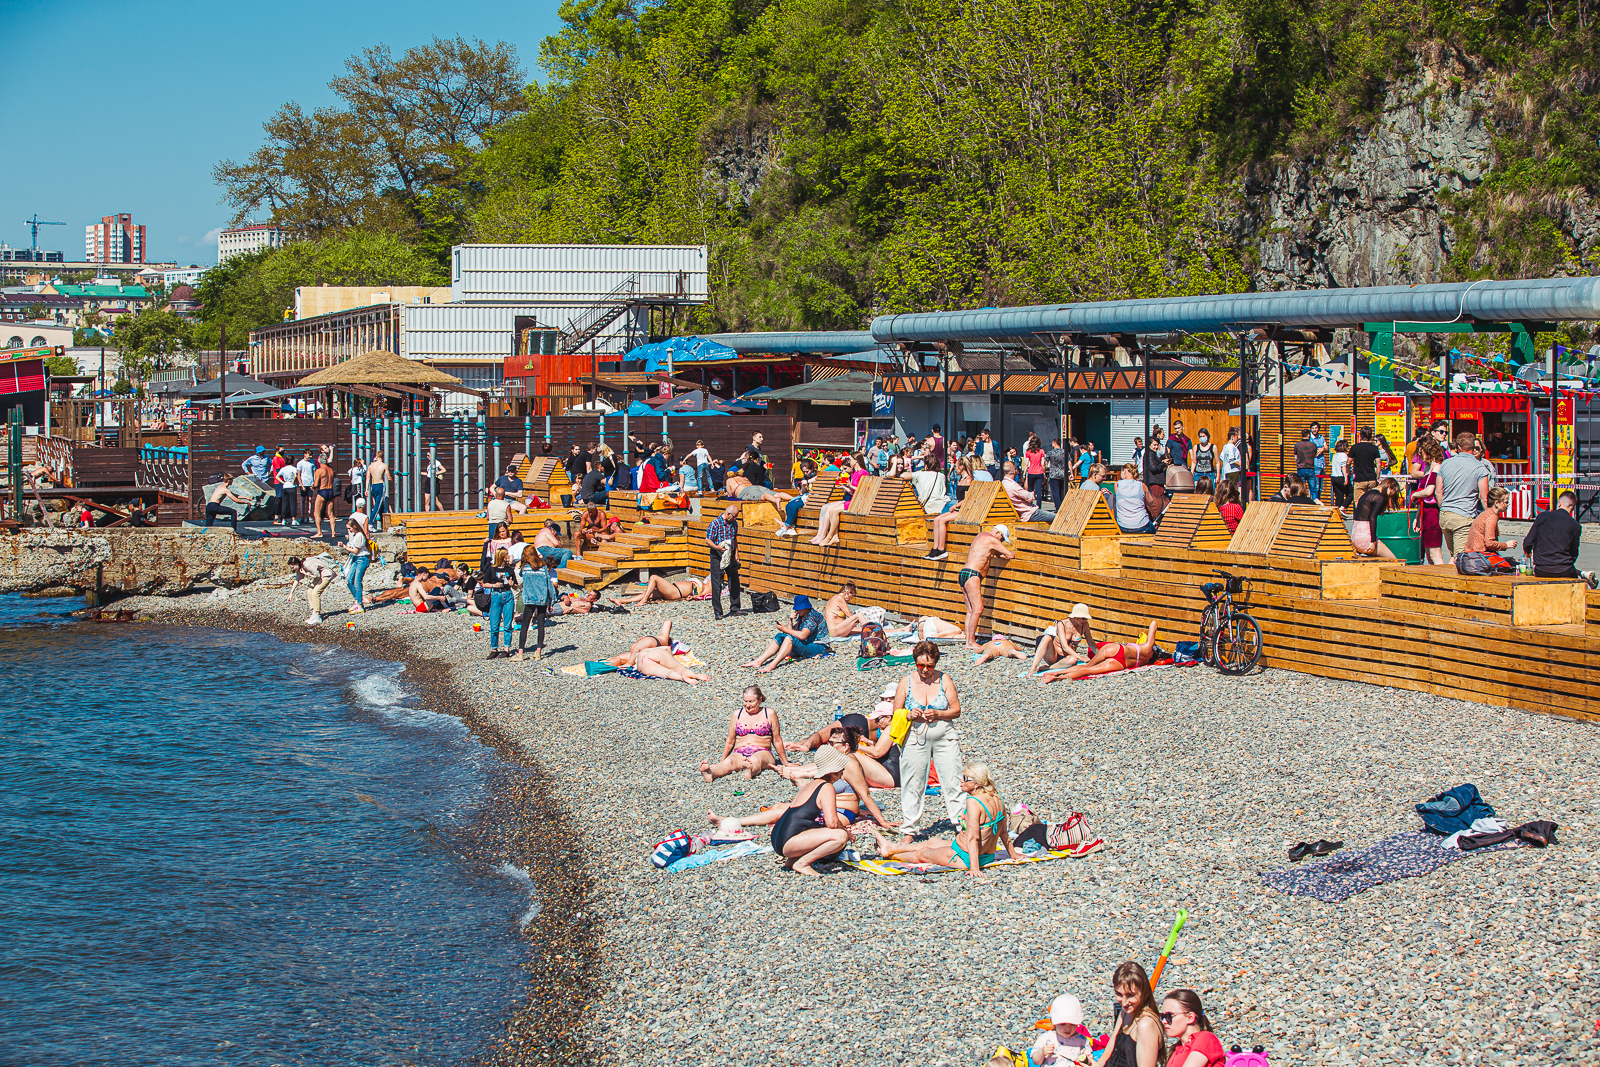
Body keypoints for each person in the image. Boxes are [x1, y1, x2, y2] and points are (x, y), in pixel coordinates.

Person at [872, 760, 1020, 875]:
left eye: (965, 778)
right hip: (984, 854)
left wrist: (974, 868)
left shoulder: (974, 802)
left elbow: (973, 838)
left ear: (976, 784)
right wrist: (1013, 855)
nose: (961, 781)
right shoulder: (996, 797)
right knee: (933, 841)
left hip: (965, 856)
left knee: (922, 855)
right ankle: (891, 848)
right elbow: (1003, 832)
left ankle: (891, 855)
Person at [724, 746, 853, 875]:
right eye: (841, 768)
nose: (842, 771)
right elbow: (832, 822)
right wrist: (847, 832)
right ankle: (802, 863)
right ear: (834, 770)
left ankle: (792, 860)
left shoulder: (811, 785)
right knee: (840, 836)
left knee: (827, 831)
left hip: (778, 838)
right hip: (789, 841)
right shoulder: (826, 787)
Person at [895, 640, 966, 828]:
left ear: (935, 664)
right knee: (913, 783)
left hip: (943, 733)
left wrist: (939, 714)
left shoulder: (944, 679)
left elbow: (956, 710)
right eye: (920, 665)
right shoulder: (906, 681)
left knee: (954, 779)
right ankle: (910, 828)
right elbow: (896, 712)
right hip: (916, 735)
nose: (925, 670)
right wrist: (909, 715)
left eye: (929, 666)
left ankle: (961, 825)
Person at [701, 685, 791, 781]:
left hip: (763, 751)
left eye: (751, 702)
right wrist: (722, 761)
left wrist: (785, 763)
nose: (748, 705)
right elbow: (730, 741)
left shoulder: (769, 713)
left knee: (756, 760)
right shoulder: (737, 714)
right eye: (745, 701)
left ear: (760, 700)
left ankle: (750, 770)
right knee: (729, 762)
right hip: (740, 751)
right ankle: (711, 774)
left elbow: (777, 740)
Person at [1040, 620, 1160, 684]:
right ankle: (1057, 679)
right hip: (1121, 664)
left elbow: (1153, 623)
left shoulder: (1148, 646)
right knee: (1086, 670)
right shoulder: (1146, 659)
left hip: (1117, 649)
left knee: (1088, 665)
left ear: (1154, 650)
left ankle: (1057, 673)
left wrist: (1153, 638)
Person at [957, 525, 1015, 649]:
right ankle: (971, 642)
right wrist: (1014, 553)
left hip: (965, 572)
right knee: (978, 609)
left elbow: (998, 555)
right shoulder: (991, 539)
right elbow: (1009, 555)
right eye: (1002, 538)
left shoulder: (982, 536)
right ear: (998, 533)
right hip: (973, 574)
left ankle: (968, 642)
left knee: (970, 610)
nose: (1001, 541)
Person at [741, 594, 830, 672]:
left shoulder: (813, 617)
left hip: (820, 647)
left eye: (798, 609)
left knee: (788, 638)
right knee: (780, 636)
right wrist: (790, 621)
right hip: (808, 644)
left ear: (805, 608)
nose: (797, 611)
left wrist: (784, 629)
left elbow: (802, 635)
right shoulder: (802, 615)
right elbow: (793, 632)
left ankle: (772, 665)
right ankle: (759, 661)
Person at [1103, 961, 1166, 1067]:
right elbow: (1107, 1055)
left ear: (1143, 992)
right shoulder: (1125, 1012)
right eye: (1119, 994)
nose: (1124, 1002)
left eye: (1130, 995)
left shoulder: (1146, 1024)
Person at [1438, 431, 1491, 555]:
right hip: (1464, 515)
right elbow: (1484, 497)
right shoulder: (1479, 467)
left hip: (1445, 515)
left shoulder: (1445, 464)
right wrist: (1490, 518)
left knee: (1454, 555)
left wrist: (1443, 507)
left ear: (1458, 447)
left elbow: (1438, 491)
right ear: (1473, 448)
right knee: (1462, 557)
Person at [1525, 490, 1593, 583]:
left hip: (1541, 569)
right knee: (1574, 578)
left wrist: (1527, 552)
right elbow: (1574, 553)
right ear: (1573, 507)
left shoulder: (1542, 517)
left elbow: (1528, 542)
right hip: (1564, 570)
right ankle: (1584, 576)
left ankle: (1583, 574)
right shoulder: (1575, 525)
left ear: (1559, 503)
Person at [514, 551, 559, 660]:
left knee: (525, 625)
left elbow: (519, 574)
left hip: (530, 598)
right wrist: (552, 601)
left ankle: (520, 653)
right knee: (540, 625)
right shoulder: (543, 568)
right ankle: (538, 652)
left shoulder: (525, 568)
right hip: (542, 598)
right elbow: (549, 586)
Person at [1030, 603, 1098, 674]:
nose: (1084, 621)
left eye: (1086, 619)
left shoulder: (1084, 625)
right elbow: (1064, 646)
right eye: (1083, 618)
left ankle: (1048, 668)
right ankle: (1033, 668)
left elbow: (1090, 642)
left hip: (1067, 658)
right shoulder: (1062, 624)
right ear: (1075, 616)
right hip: (1054, 656)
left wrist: (1099, 654)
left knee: (1073, 660)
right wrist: (1081, 658)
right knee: (1047, 637)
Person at [1161, 990, 1224, 1067]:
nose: (1164, 1021)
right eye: (1163, 1016)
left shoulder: (1206, 1039)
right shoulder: (1177, 1048)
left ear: (1190, 1017)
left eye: (1169, 1016)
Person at [706, 503, 744, 619]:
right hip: (717, 554)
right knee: (716, 582)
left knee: (734, 580)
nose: (735, 519)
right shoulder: (715, 523)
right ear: (728, 514)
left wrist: (736, 553)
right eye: (734, 516)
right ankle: (718, 611)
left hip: (730, 554)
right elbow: (708, 540)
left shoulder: (734, 523)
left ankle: (735, 608)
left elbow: (734, 538)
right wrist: (717, 547)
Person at [1032, 994, 1092, 1066]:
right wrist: (1041, 1053)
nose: (1068, 1028)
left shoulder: (1082, 1041)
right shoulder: (1046, 1038)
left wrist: (1084, 1062)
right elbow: (1036, 1061)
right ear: (1053, 1021)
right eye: (1063, 1024)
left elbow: (1090, 1063)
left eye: (1072, 1024)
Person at [1412, 435, 1446, 564]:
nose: (1420, 456)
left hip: (1433, 512)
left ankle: (1442, 580)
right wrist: (1417, 517)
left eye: (1421, 452)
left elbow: (1430, 491)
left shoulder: (1437, 467)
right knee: (1428, 553)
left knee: (1435, 552)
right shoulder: (1428, 468)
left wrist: (1414, 495)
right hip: (1425, 512)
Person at [1349, 478, 1401, 560]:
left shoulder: (1367, 494)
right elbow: (1372, 518)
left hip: (1355, 537)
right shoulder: (1379, 497)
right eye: (1391, 494)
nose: (1389, 496)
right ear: (1389, 486)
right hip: (1366, 539)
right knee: (1394, 560)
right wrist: (1373, 542)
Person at [480, 547, 516, 659]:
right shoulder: (492, 569)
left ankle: (506, 648)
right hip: (496, 595)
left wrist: (512, 584)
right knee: (494, 623)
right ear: (502, 556)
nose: (509, 556)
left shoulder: (510, 570)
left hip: (508, 595)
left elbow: (515, 585)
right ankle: (494, 648)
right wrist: (494, 585)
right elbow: (484, 583)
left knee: (507, 623)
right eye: (507, 555)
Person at [284, 554, 338, 625]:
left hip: (326, 574)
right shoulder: (301, 568)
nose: (292, 569)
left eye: (292, 567)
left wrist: (305, 573)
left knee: (315, 593)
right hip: (320, 575)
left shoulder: (307, 565)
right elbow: (297, 580)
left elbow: (317, 576)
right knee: (309, 591)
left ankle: (317, 616)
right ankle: (314, 613)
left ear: (296, 564)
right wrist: (290, 594)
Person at [1465, 487, 1517, 556]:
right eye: (1506, 502)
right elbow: (1489, 543)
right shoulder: (1492, 516)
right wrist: (1506, 545)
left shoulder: (1485, 513)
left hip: (1473, 554)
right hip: (1480, 556)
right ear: (1497, 503)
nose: (1508, 504)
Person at [342, 517, 372, 613]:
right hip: (356, 558)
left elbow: (356, 550)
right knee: (348, 580)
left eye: (349, 528)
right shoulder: (356, 535)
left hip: (362, 559)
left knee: (357, 582)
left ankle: (359, 604)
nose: (349, 531)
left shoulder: (359, 535)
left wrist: (344, 547)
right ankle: (357, 600)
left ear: (354, 527)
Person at [1114, 464, 1155, 534]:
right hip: (1141, 524)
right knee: (1155, 532)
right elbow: (1151, 502)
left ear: (1124, 471)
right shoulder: (1142, 485)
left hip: (1123, 525)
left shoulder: (1117, 485)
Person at [1348, 428, 1381, 500]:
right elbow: (1378, 464)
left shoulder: (1355, 447)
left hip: (1359, 479)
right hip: (1371, 479)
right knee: (1370, 501)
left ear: (1361, 435)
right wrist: (1377, 477)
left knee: (1358, 501)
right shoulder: (1374, 448)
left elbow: (1348, 462)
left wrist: (1349, 471)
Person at [312, 455, 338, 537]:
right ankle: (333, 532)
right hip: (330, 491)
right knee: (331, 514)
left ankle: (319, 532)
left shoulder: (319, 471)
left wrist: (312, 487)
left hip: (322, 491)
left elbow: (316, 484)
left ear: (319, 461)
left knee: (317, 513)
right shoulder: (331, 470)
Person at [1293, 425, 1318, 501]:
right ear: (1309, 435)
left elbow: (1295, 457)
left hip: (1300, 468)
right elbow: (1314, 455)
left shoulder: (1297, 445)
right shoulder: (1313, 445)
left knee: (1301, 489)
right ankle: (1314, 504)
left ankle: (1302, 502)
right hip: (1310, 468)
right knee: (1313, 490)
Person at [365, 454, 390, 532]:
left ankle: (383, 524)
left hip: (373, 486)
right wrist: (392, 483)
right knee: (377, 506)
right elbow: (388, 477)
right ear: (383, 457)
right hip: (380, 485)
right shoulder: (384, 465)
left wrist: (366, 489)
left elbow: (368, 477)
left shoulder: (371, 466)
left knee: (380, 506)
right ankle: (370, 523)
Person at [272, 457, 299, 526]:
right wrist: (293, 481)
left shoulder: (283, 469)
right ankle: (293, 519)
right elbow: (295, 475)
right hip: (291, 487)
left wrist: (283, 482)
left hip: (285, 486)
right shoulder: (293, 468)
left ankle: (283, 519)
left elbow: (277, 476)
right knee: (293, 503)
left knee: (284, 504)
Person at [1328, 439, 1352, 511]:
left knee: (1339, 495)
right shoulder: (1343, 455)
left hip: (1334, 477)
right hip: (1341, 477)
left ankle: (1337, 511)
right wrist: (1346, 477)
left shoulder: (1335, 455)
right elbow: (1343, 466)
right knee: (1351, 493)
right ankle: (1343, 507)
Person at [1024, 435, 1047, 503]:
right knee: (1038, 491)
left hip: (1031, 472)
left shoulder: (1028, 452)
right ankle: (1039, 506)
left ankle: (1031, 504)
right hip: (1039, 472)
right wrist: (1044, 473)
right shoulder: (1041, 451)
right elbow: (1043, 463)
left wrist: (1024, 473)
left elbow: (1026, 464)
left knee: (1031, 490)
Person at [1308, 421, 1328, 500]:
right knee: (1315, 486)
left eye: (1316, 428)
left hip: (1321, 463)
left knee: (1320, 487)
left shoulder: (1321, 437)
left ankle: (1318, 500)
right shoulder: (1310, 438)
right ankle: (1314, 501)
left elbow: (1326, 448)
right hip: (1314, 463)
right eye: (1313, 428)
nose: (1314, 429)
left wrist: (1322, 449)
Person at [296, 450, 316, 524]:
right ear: (305, 454)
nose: (310, 456)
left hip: (310, 483)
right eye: (309, 455)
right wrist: (301, 484)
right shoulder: (300, 463)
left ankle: (309, 515)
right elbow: (298, 474)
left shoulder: (312, 463)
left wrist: (313, 483)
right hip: (304, 483)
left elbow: (314, 473)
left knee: (310, 500)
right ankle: (302, 516)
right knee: (303, 500)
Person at [1045, 438, 1066, 508]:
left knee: (1055, 491)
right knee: (1062, 491)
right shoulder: (1064, 452)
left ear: (1054, 443)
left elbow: (1046, 461)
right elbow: (1069, 462)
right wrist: (1071, 473)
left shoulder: (1051, 452)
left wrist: (1045, 470)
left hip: (1054, 474)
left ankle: (1058, 506)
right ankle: (1063, 505)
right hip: (1063, 474)